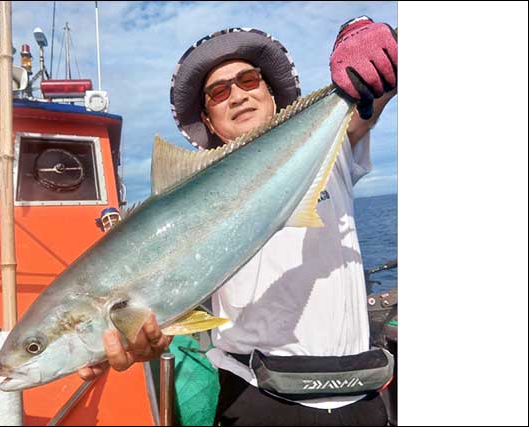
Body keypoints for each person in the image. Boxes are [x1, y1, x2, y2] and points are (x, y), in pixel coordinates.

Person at [78, 16, 397, 426]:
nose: (237, 95)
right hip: (254, 397)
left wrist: (363, 32)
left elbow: (372, 90)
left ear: (270, 92)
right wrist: (139, 335)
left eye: (248, 80)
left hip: (360, 397)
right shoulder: (184, 201)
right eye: (218, 91)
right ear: (209, 120)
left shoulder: (331, 150)